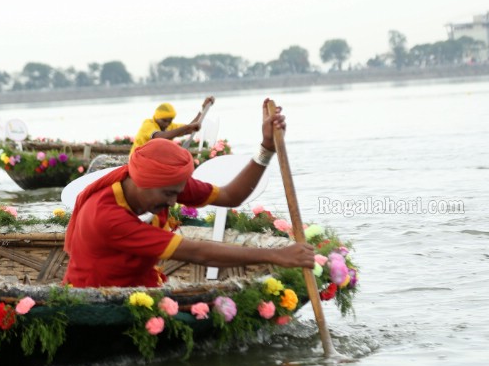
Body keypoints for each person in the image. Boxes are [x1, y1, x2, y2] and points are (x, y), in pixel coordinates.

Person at [64, 99, 314, 288]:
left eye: (178, 193)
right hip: (95, 294)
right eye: (169, 194)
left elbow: (230, 197)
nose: (175, 201)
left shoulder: (168, 183)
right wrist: (276, 255)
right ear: (142, 183)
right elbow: (198, 253)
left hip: (142, 289)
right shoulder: (106, 216)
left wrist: (266, 148)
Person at [130, 96, 214, 154]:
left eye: (170, 121)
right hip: (137, 162)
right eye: (164, 121)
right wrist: (188, 127)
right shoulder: (148, 124)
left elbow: (190, 129)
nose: (167, 124)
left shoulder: (170, 127)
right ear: (156, 118)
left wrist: (203, 109)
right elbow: (160, 137)